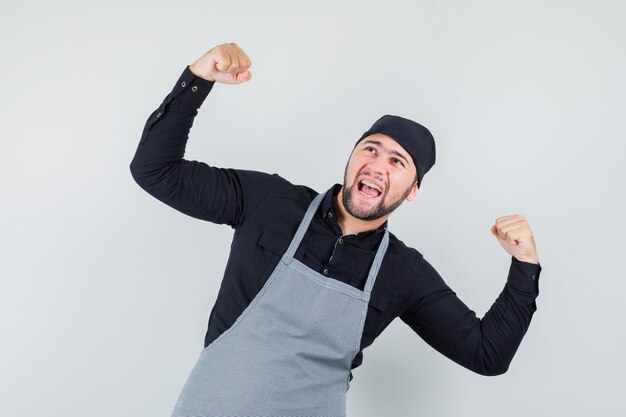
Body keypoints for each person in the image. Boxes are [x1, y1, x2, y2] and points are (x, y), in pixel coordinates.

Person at [129, 42, 542, 417]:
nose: (378, 164)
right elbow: (155, 171)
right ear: (351, 158)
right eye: (371, 149)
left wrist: (525, 265)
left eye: (398, 162)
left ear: (412, 190)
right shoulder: (268, 201)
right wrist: (198, 80)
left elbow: (488, 354)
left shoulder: (405, 272)